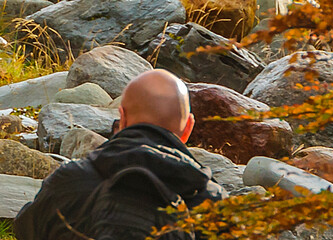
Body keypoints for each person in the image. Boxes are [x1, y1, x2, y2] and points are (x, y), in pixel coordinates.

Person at [14, 69, 228, 240]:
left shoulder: (69, 182)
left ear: (122, 118)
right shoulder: (213, 201)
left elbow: (25, 229)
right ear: (188, 128)